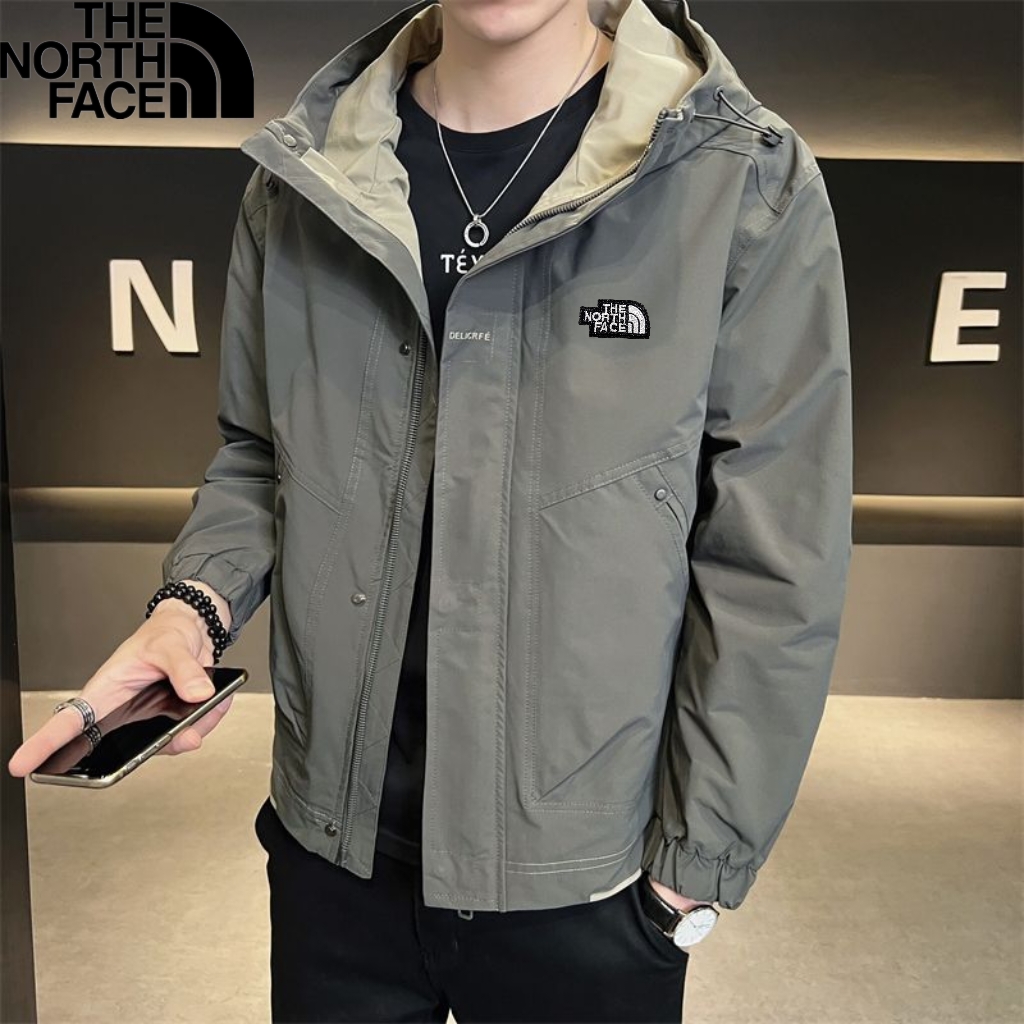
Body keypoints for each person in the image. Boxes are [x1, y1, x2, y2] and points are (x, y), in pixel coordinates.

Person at [9, 0, 853, 1020]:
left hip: (587, 886)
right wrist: (192, 607)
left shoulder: (737, 176)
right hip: (334, 860)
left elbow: (772, 559)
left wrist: (690, 874)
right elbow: (259, 454)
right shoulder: (306, 174)